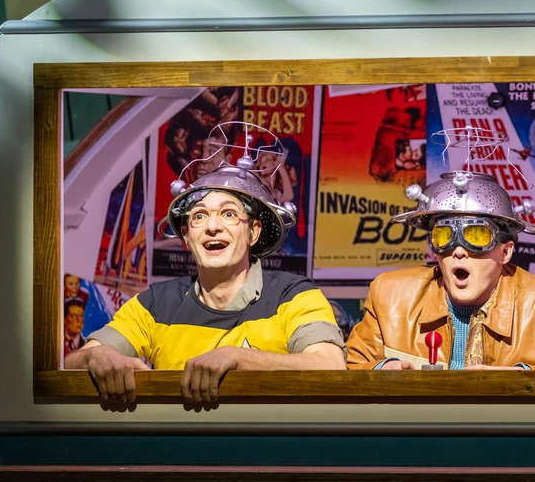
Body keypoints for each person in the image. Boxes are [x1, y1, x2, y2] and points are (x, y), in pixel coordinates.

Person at [66, 163, 346, 406]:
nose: (213, 227)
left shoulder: (293, 295)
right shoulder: (156, 303)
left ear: (253, 232)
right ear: (187, 237)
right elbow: (73, 362)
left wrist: (238, 358)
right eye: (199, 216)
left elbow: (330, 366)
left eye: (229, 214)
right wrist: (97, 357)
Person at [346, 171, 535, 370]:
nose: (459, 251)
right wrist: (381, 370)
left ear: (505, 252)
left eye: (477, 236)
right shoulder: (390, 298)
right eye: (444, 236)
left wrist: (523, 384)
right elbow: (352, 368)